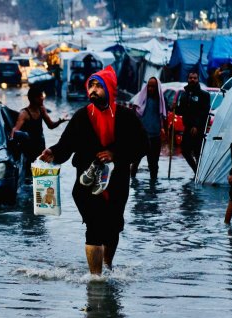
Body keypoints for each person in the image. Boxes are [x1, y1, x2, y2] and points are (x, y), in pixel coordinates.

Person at [38, 66, 148, 275]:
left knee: (113, 228)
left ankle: (107, 266)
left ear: (110, 88)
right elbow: (66, 145)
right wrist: (52, 152)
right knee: (95, 229)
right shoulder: (81, 116)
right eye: (91, 85)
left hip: (117, 182)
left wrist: (116, 154)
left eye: (99, 86)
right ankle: (96, 281)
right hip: (86, 184)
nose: (93, 90)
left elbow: (143, 145)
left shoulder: (126, 117)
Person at [11, 86, 67, 178]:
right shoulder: (24, 113)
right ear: (34, 98)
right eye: (40, 96)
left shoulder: (41, 109)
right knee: (29, 175)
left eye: (42, 95)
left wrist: (60, 120)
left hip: (40, 147)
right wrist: (13, 136)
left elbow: (51, 125)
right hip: (29, 149)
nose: (42, 98)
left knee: (42, 175)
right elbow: (16, 130)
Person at [129, 77, 167, 181]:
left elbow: (164, 117)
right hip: (141, 136)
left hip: (155, 136)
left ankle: (153, 186)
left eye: (153, 86)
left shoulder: (161, 101)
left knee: (154, 163)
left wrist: (165, 133)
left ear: (157, 87)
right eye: (149, 86)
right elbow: (133, 116)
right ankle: (133, 183)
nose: (150, 89)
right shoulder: (140, 100)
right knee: (135, 161)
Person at [178, 71, 211, 174]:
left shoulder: (204, 95)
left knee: (198, 153)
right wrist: (175, 107)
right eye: (191, 78)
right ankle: (196, 171)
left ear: (198, 79)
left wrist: (196, 125)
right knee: (184, 151)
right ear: (188, 79)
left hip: (199, 128)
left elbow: (204, 112)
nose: (192, 80)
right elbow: (181, 111)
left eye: (195, 78)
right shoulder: (184, 94)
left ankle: (200, 174)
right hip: (187, 127)